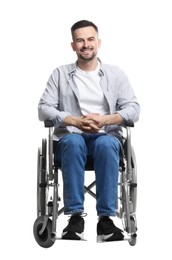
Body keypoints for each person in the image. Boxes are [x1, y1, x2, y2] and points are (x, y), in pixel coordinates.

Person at [38, 20, 140, 242]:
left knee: (106, 143)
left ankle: (106, 220)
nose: (86, 44)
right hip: (70, 140)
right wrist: (73, 120)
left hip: (105, 139)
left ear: (99, 42)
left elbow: (134, 108)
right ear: (73, 45)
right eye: (80, 40)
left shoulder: (115, 74)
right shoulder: (60, 74)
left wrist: (106, 120)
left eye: (90, 39)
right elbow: (43, 108)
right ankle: (75, 218)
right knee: (73, 142)